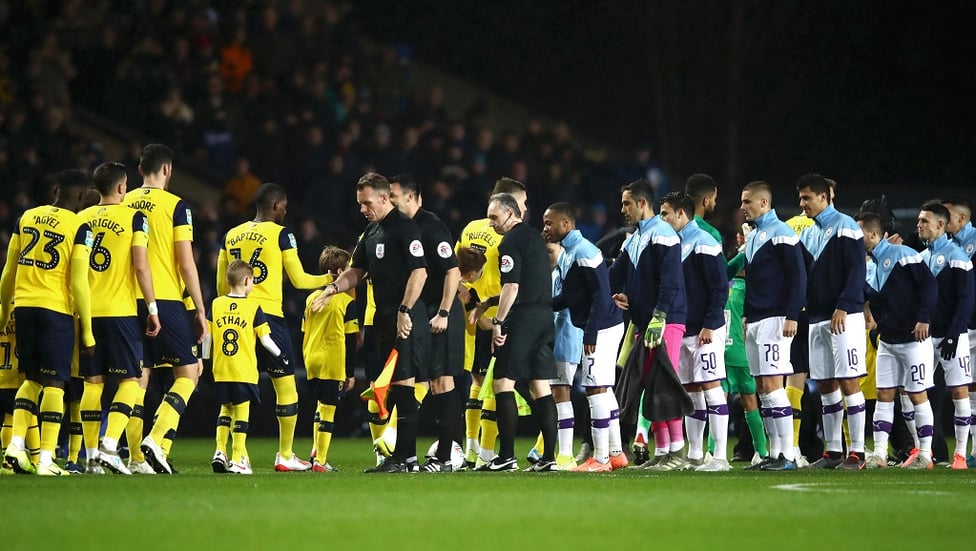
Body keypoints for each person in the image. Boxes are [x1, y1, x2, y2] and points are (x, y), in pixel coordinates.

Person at [312, 173, 430, 473]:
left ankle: (405, 457)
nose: (362, 208)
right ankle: (400, 457)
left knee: (404, 385)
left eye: (366, 203)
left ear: (383, 198)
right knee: (388, 388)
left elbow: (420, 273)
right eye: (359, 203)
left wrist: (406, 309)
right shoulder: (371, 232)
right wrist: (332, 288)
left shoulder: (406, 228)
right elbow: (356, 270)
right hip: (383, 317)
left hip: (406, 315)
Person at [217, 183, 333, 472]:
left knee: (234, 388)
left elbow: (222, 285)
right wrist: (329, 280)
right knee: (286, 388)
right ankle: (284, 454)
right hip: (268, 316)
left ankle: (223, 451)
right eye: (284, 206)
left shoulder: (231, 235)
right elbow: (298, 279)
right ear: (275, 206)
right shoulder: (282, 234)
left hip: (236, 317)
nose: (286, 210)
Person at [0, 169, 95, 476]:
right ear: (81, 197)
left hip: (24, 307)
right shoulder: (79, 226)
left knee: (31, 379)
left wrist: (3, 313)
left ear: (55, 189)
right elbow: (80, 283)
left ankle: (16, 445)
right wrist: (88, 334)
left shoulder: (26, 217)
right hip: (56, 309)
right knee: (55, 383)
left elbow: (7, 272)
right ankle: (46, 459)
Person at [124, 144, 209, 475]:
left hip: (126, 300)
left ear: (139, 168)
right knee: (189, 373)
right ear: (168, 170)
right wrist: (200, 309)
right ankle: (156, 441)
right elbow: (186, 262)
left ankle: (135, 458)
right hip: (166, 298)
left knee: (137, 380)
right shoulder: (176, 206)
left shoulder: (123, 200)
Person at [77, 162, 162, 476]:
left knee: (93, 381)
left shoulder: (81, 218)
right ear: (123, 187)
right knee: (130, 380)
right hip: (120, 312)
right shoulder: (134, 217)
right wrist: (152, 309)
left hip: (87, 312)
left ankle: (89, 458)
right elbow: (140, 266)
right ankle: (110, 447)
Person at [542, 202, 628, 472]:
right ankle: (615, 454)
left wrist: (590, 332)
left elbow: (601, 295)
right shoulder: (570, 252)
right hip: (601, 326)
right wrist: (540, 305)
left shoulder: (584, 251)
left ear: (566, 224)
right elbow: (570, 297)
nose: (545, 228)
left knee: (595, 389)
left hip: (600, 327)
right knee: (603, 388)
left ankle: (600, 459)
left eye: (549, 223)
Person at [608, 179, 687, 469]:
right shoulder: (635, 239)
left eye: (627, 203)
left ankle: (677, 452)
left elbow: (670, 280)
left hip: (667, 320)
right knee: (650, 387)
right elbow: (614, 275)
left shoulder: (663, 234)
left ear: (642, 203)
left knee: (663, 383)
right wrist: (605, 292)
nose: (623, 209)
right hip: (646, 322)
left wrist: (660, 315)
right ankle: (663, 451)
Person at [388, 175, 464, 472]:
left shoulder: (430, 226)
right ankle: (407, 457)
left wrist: (444, 312)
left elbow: (452, 271)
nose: (389, 200)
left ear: (411, 196)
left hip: (440, 314)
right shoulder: (399, 228)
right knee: (422, 383)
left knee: (442, 382)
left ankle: (446, 458)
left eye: (393, 195)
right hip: (421, 315)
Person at [796, 174, 868, 470]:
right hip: (816, 318)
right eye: (801, 198)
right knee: (826, 384)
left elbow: (856, 270)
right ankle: (834, 451)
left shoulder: (846, 226)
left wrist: (844, 306)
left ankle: (858, 453)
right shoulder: (810, 232)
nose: (802, 204)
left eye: (807, 198)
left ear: (824, 197)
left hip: (843, 317)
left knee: (849, 381)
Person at [456, 177, 529, 468]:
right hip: (498, 314)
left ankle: (470, 448)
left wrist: (465, 298)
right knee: (495, 383)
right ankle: (486, 452)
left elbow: (456, 267)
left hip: (470, 315)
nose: (525, 207)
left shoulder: (470, 227)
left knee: (475, 381)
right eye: (522, 201)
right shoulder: (512, 235)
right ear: (509, 203)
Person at [855, 212, 938, 469]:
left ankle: (925, 454)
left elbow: (929, 285)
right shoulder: (870, 264)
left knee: (917, 395)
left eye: (860, 235)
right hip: (889, 341)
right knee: (884, 395)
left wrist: (924, 318)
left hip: (914, 339)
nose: (857, 240)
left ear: (873, 234)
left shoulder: (903, 255)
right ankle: (879, 453)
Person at [482, 192, 558, 472]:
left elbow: (511, 286)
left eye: (494, 217)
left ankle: (506, 457)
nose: (491, 224)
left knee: (503, 382)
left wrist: (499, 321)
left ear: (511, 213)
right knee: (540, 385)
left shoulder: (511, 241)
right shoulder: (535, 238)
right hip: (544, 315)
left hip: (523, 316)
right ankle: (549, 458)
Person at [658, 192, 731, 471]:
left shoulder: (704, 242)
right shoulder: (675, 244)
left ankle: (721, 456)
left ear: (681, 213)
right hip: (685, 328)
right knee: (691, 393)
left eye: (665, 213)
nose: (663, 219)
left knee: (712, 389)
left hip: (705, 329)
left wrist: (711, 324)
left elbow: (719, 287)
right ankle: (695, 454)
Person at [739, 181, 807, 471]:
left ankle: (787, 455)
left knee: (773, 384)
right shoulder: (755, 235)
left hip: (776, 317)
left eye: (747, 202)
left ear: (764, 203)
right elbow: (752, 279)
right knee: (762, 386)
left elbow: (798, 275)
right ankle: (773, 453)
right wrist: (745, 314)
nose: (743, 207)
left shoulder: (782, 233)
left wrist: (793, 314)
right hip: (755, 318)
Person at [208, 260, 289, 475]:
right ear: (246, 280)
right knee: (242, 412)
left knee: (225, 409)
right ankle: (236, 459)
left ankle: (219, 451)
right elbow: (265, 340)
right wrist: (281, 355)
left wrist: (205, 358)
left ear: (227, 280)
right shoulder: (253, 306)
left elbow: (206, 337)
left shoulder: (216, 304)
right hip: (243, 369)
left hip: (221, 369)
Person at [917, 200, 974, 469]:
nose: (919, 225)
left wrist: (954, 333)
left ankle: (960, 454)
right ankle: (925, 453)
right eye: (919, 220)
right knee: (917, 391)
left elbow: (965, 300)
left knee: (959, 391)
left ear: (940, 225)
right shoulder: (921, 257)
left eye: (924, 221)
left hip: (954, 337)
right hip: (926, 337)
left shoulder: (958, 256)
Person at [301, 247, 359, 473]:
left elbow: (304, 330)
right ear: (338, 271)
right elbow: (351, 339)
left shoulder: (310, 298)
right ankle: (321, 461)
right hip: (332, 361)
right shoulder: (345, 302)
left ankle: (316, 450)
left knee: (319, 407)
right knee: (328, 410)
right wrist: (350, 372)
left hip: (311, 359)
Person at [540, 239, 583, 470]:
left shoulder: (564, 273)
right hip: (558, 337)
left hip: (566, 337)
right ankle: (546, 451)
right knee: (554, 394)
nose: (546, 256)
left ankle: (566, 455)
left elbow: (564, 303)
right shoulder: (554, 274)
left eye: (550, 251)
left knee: (561, 393)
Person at [942, 196, 976, 467]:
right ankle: (973, 451)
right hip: (964, 326)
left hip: (969, 324)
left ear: (962, 219)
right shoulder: (947, 247)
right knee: (971, 388)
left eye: (948, 215)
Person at [684, 173, 723, 244]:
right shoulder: (711, 233)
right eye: (714, 199)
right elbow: (719, 256)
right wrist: (742, 251)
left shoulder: (670, 226)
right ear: (706, 201)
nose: (715, 204)